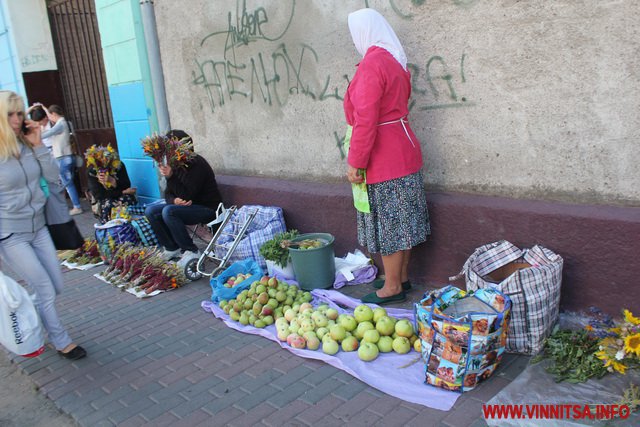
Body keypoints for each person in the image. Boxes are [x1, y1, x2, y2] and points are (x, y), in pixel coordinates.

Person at [344, 9, 430, 305]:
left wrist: (356, 160)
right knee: (403, 221)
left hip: (384, 155)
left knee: (390, 223)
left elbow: (366, 118)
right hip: (404, 149)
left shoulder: (372, 64)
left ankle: (392, 286)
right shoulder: (394, 60)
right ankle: (401, 278)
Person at [0, 90, 86, 360]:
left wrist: (38, 146)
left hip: (38, 227)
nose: (17, 119)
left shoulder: (27, 145)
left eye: (20, 113)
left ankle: (29, 319)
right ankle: (61, 340)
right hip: (10, 233)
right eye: (10, 114)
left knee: (55, 286)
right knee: (44, 288)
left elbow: (53, 178)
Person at [145, 129, 223, 267]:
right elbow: (168, 194)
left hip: (208, 208)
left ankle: (191, 251)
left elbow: (188, 195)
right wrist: (174, 200)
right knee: (151, 211)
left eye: (170, 148)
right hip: (188, 207)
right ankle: (172, 248)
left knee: (169, 212)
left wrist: (170, 177)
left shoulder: (196, 163)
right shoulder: (176, 164)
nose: (167, 153)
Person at [39, 104, 83, 216]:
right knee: (67, 182)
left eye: (50, 115)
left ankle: (77, 206)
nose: (49, 118)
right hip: (66, 157)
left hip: (63, 157)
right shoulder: (63, 123)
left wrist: (34, 135)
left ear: (53, 114)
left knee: (67, 183)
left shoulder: (60, 124)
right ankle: (75, 205)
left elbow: (48, 133)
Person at [86, 149, 137, 223]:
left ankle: (130, 227)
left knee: (126, 200)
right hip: (104, 199)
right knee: (109, 204)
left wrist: (113, 181)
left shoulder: (118, 166)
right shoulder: (92, 171)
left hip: (121, 195)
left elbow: (126, 185)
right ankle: (113, 229)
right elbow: (99, 195)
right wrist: (122, 192)